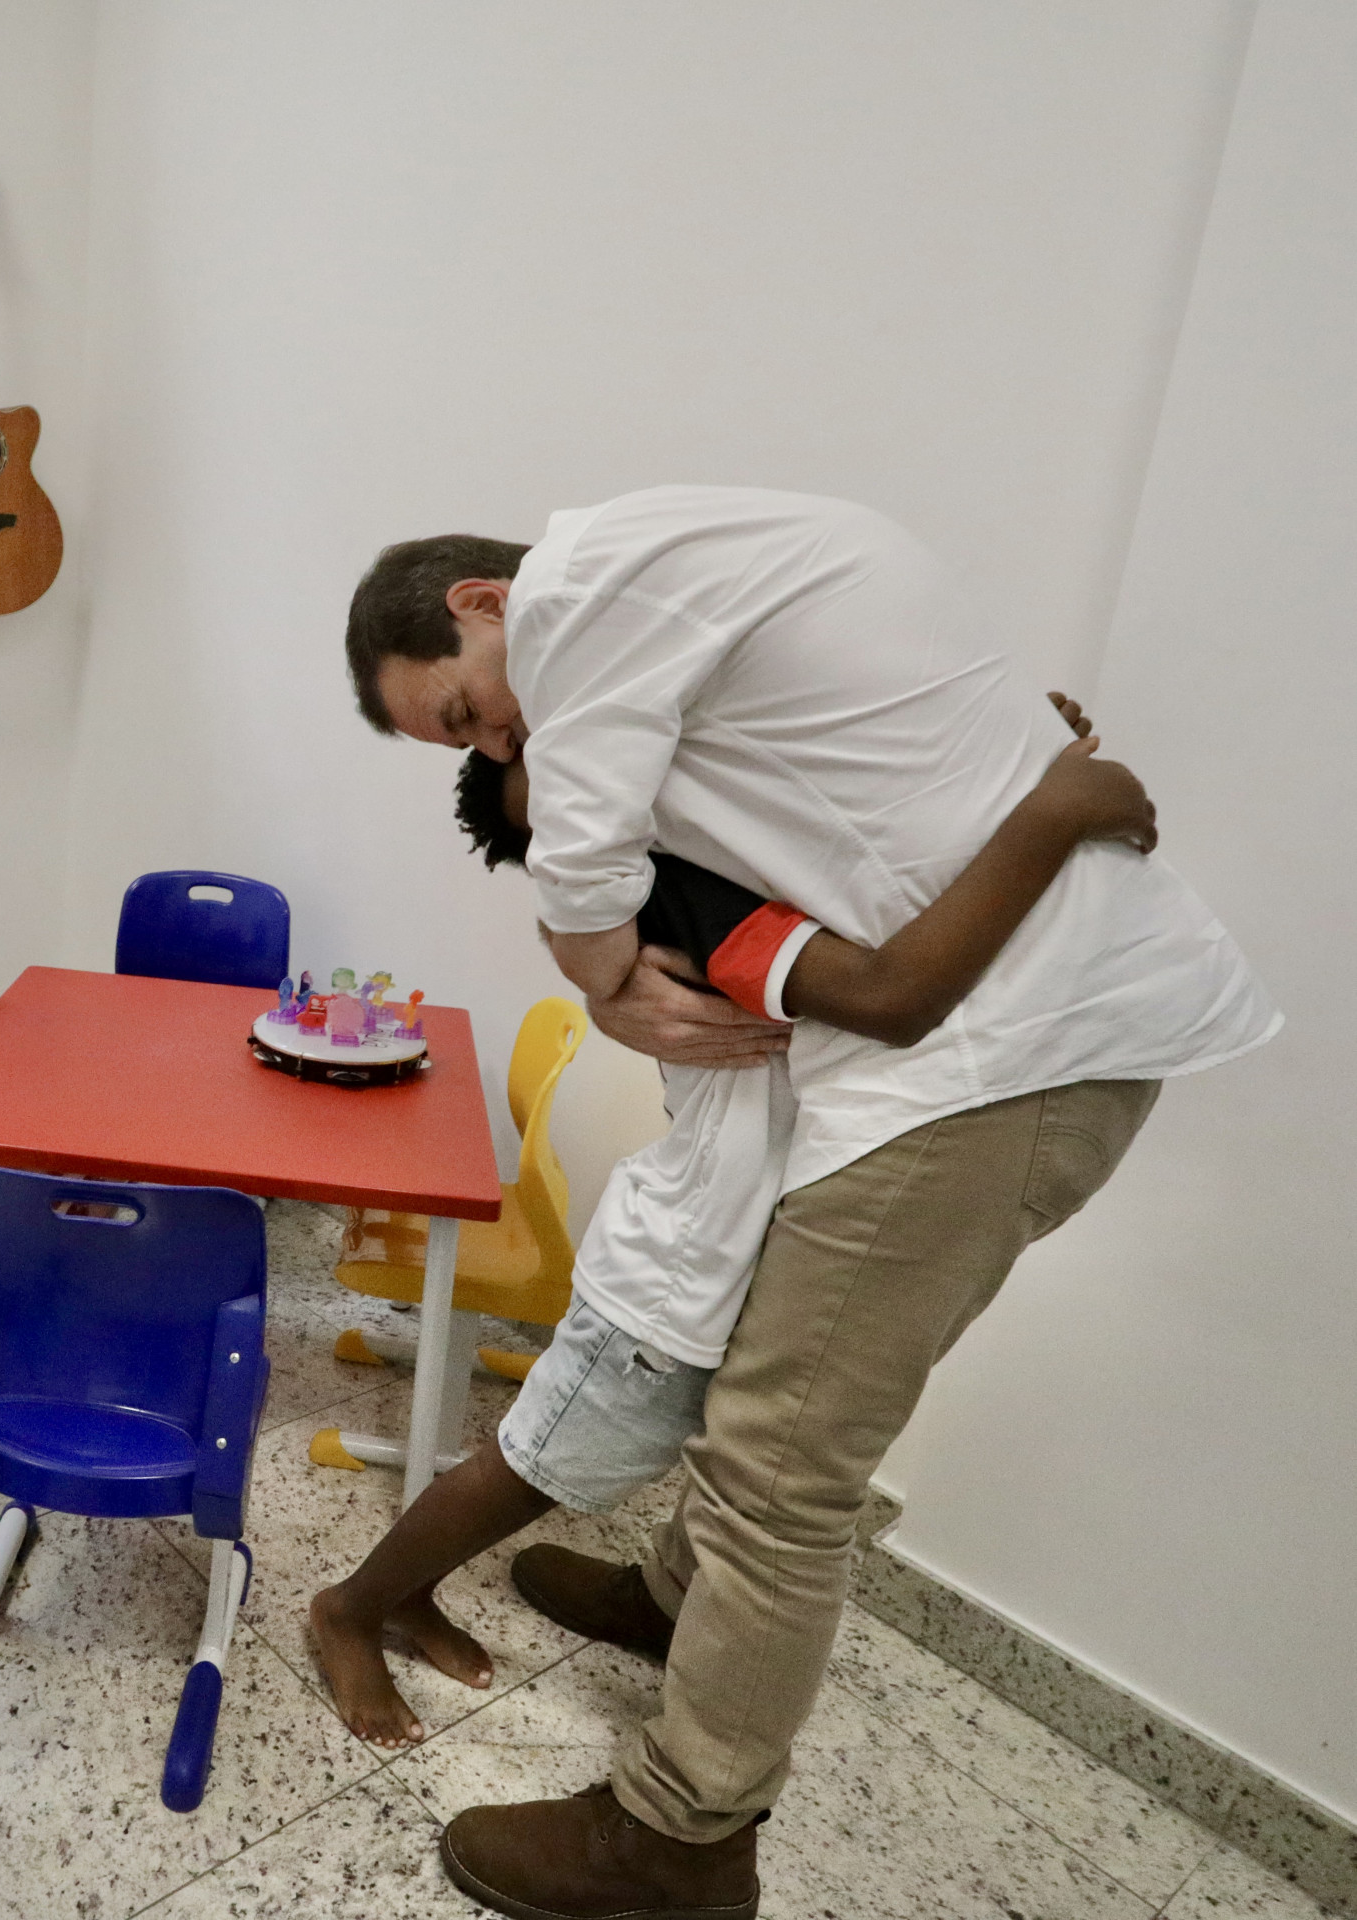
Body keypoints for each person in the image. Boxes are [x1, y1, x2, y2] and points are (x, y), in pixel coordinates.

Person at [344, 488, 1280, 1920]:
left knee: (777, 1470)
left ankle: (680, 1843)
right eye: (479, 747)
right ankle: (651, 1619)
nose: (507, 745)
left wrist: (1041, 784)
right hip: (807, 1172)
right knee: (727, 1458)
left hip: (986, 1080)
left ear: (485, 601)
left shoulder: (606, 620)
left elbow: (853, 957)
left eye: (475, 716)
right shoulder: (686, 833)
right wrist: (1041, 788)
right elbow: (852, 863)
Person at [312, 719, 1157, 1753]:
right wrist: (1048, 808)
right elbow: (894, 984)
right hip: (676, 1273)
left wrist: (1005, 763)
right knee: (531, 1462)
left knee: (616, 1464)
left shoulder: (721, 872)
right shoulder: (684, 908)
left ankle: (405, 1596)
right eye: (569, 804)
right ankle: (353, 1605)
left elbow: (893, 875)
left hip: (743, 1255)